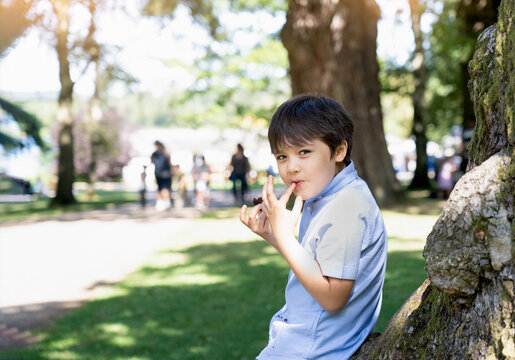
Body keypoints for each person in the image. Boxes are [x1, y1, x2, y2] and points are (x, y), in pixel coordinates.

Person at [239, 94, 388, 359]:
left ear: (339, 151)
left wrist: (285, 238)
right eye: (282, 156)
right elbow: (318, 266)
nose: (292, 167)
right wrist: (275, 236)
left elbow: (333, 298)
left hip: (312, 349)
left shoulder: (346, 206)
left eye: (304, 152)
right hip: (302, 341)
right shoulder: (322, 192)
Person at [151, 140, 173, 211]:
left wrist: (171, 172)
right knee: (159, 189)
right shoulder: (154, 154)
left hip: (166, 174)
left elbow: (170, 163)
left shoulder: (165, 154)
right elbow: (152, 162)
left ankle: (167, 202)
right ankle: (160, 202)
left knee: (165, 189)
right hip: (158, 174)